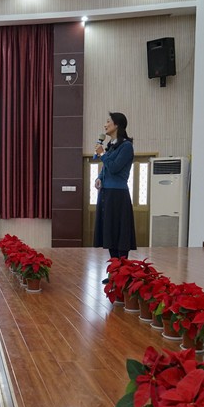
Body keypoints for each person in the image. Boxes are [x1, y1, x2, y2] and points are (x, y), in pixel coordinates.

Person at [93, 111, 137, 283]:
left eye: (108, 122)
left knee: (121, 234)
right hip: (107, 194)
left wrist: (102, 154)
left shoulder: (126, 147)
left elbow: (115, 167)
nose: (105, 125)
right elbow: (106, 169)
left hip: (119, 196)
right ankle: (114, 274)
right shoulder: (112, 145)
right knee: (110, 233)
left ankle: (123, 274)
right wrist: (99, 178)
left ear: (117, 124)